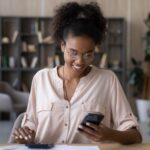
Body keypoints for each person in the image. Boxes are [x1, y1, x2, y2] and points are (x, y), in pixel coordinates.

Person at [13, 2, 142, 144]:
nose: (80, 61)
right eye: (73, 53)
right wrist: (26, 136)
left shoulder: (108, 80)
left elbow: (135, 136)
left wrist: (110, 135)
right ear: (62, 46)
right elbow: (29, 127)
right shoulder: (41, 79)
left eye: (88, 54)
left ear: (95, 49)